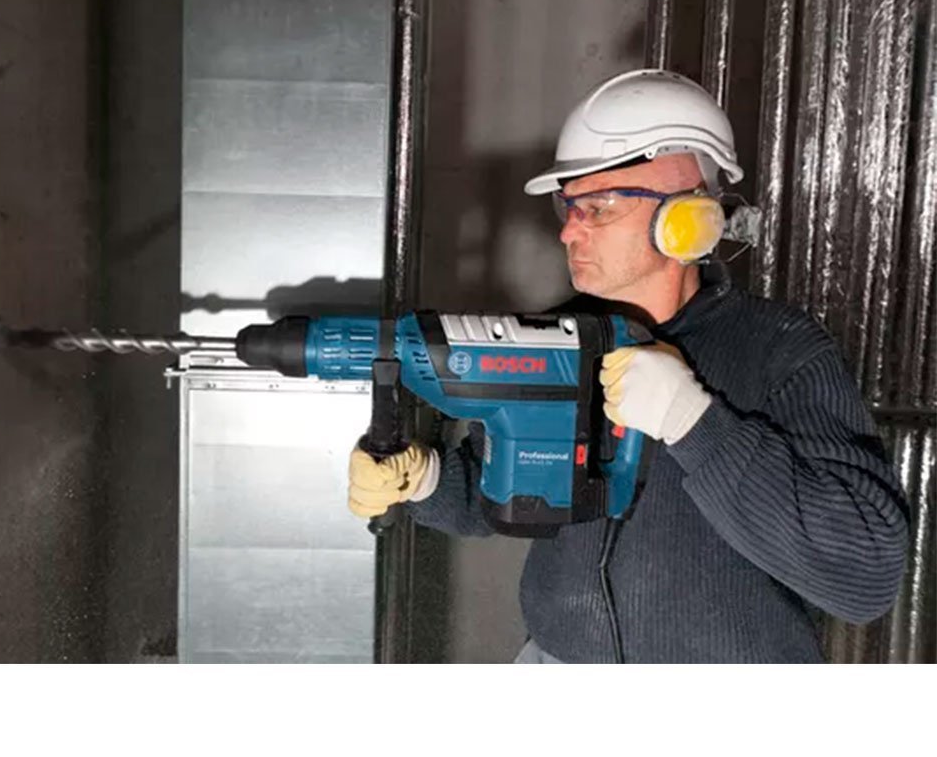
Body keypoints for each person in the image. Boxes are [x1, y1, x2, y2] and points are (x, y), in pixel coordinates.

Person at [347, 69, 910, 664]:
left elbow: (866, 573)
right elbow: (505, 491)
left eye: (597, 208)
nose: (568, 232)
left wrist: (695, 422)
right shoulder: (559, 338)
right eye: (568, 206)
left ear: (686, 218)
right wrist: (426, 479)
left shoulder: (780, 349)